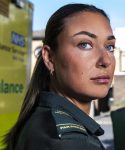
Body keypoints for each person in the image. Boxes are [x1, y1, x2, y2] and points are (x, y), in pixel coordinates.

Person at [4, 3, 116, 150]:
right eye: (85, 44)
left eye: (110, 47)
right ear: (49, 57)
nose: (106, 60)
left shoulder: (40, 119)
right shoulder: (72, 143)